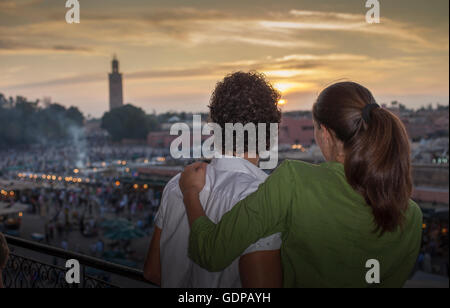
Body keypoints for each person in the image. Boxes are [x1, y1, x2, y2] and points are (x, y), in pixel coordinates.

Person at [179, 81, 423, 288]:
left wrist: (190, 192)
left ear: (325, 133)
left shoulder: (294, 180)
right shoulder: (411, 215)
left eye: (314, 127)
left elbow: (210, 251)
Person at [144, 72, 283, 288]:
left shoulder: (177, 185)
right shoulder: (263, 197)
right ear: (270, 136)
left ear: (214, 128)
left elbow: (153, 272)